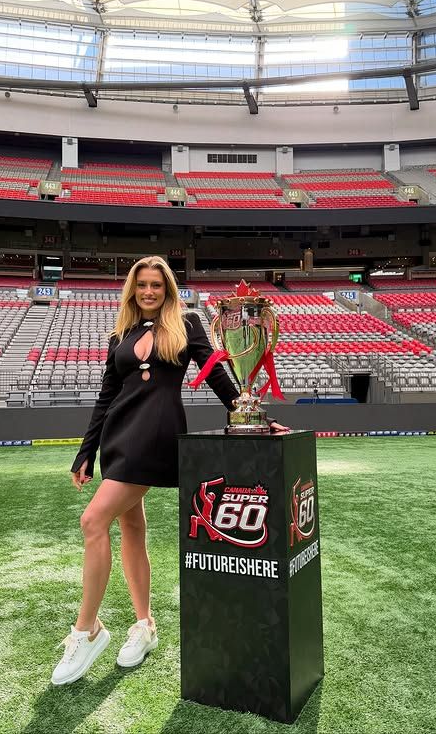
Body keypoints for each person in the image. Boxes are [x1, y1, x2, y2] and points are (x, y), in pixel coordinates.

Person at [51, 256, 289, 685]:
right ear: (133, 289)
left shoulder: (188, 324)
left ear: (167, 290)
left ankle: (88, 630)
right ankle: (145, 625)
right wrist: (86, 452)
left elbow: (216, 374)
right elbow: (106, 396)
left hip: (156, 435)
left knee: (92, 521)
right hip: (119, 437)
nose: (148, 292)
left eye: (156, 285)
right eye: (142, 284)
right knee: (131, 527)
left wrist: (254, 416)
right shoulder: (120, 335)